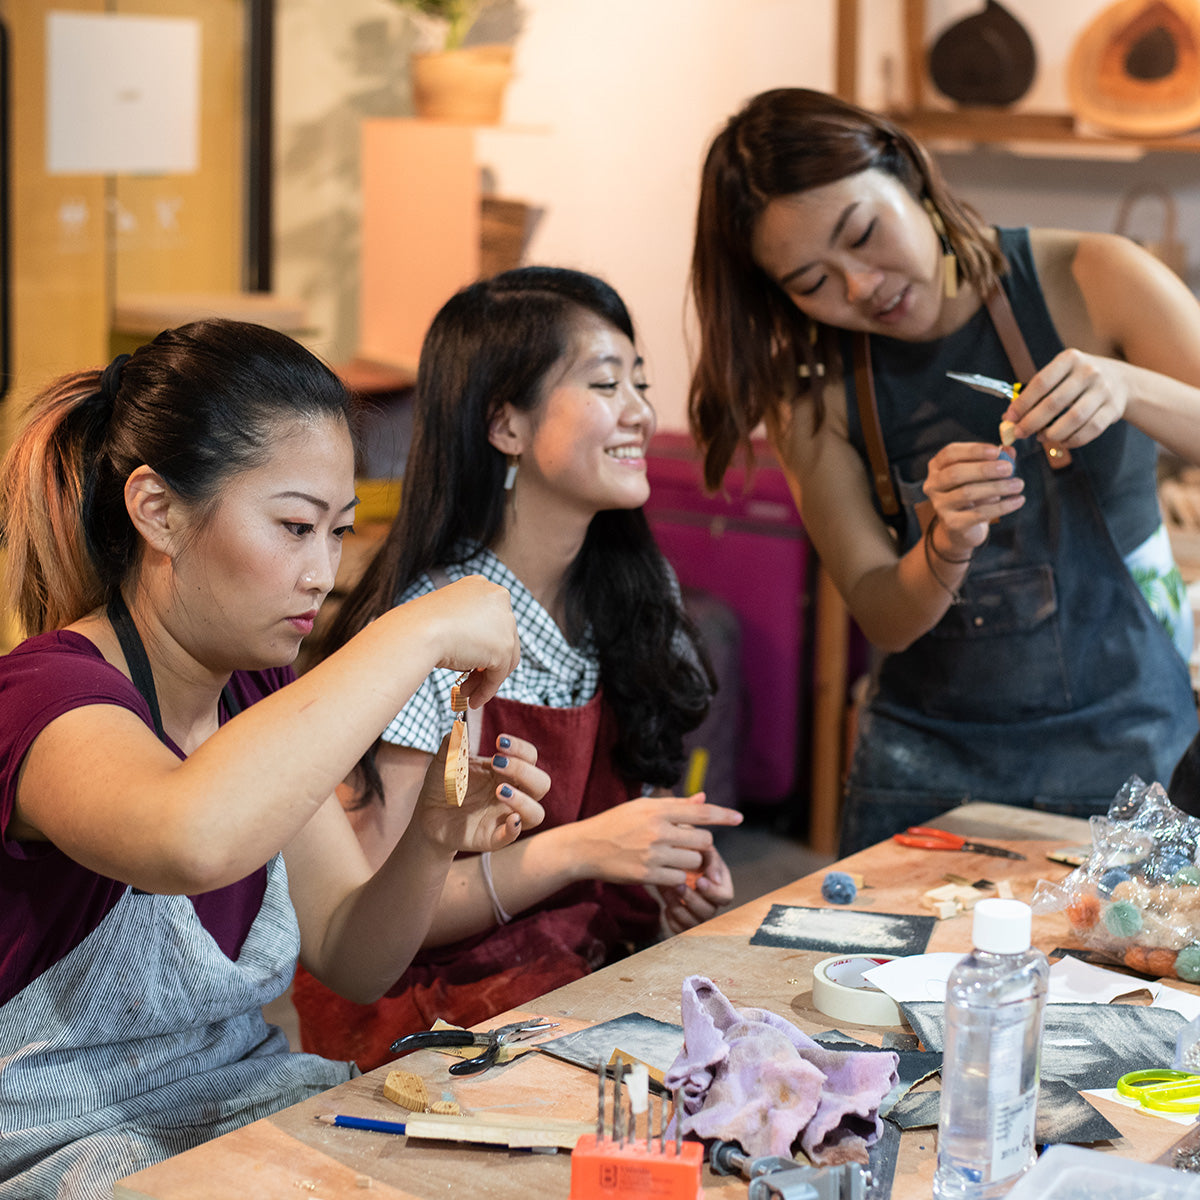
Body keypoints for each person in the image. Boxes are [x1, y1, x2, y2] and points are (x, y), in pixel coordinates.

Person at [0, 319, 549, 1199]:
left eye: (337, 532)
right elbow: (191, 838)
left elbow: (350, 953)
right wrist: (420, 624)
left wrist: (432, 836)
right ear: (158, 511)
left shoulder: (248, 694)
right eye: (295, 527)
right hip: (62, 1149)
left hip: (239, 1109)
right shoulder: (47, 696)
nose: (323, 572)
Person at [689, 87, 1200, 856]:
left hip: (1131, 757)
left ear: (909, 174)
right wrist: (943, 548)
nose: (862, 286)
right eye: (812, 282)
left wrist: (1128, 386)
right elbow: (881, 612)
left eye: (863, 233)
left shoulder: (1089, 275)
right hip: (925, 776)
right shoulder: (814, 393)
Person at [291, 266, 743, 1071]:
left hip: (579, 990)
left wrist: (663, 884)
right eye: (607, 384)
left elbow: (624, 833)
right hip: (432, 1028)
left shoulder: (634, 593)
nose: (641, 412)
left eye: (641, 382)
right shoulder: (434, 627)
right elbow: (373, 914)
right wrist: (582, 851)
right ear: (504, 424)